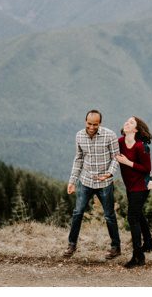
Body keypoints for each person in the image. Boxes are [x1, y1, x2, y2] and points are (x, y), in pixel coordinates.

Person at [65, 109, 123, 260]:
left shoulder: (109, 135)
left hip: (105, 183)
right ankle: (72, 245)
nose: (92, 127)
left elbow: (116, 157)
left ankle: (116, 247)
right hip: (85, 181)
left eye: (95, 124)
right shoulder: (79, 136)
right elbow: (78, 159)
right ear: (85, 122)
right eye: (89, 124)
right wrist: (72, 181)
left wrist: (110, 173)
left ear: (100, 123)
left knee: (109, 215)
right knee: (78, 212)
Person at [115, 116, 152, 268]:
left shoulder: (140, 146)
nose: (127, 122)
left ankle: (138, 256)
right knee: (138, 214)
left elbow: (147, 169)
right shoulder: (120, 142)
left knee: (132, 217)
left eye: (131, 122)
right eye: (126, 121)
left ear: (136, 129)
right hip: (130, 186)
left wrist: (127, 163)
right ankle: (149, 243)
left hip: (142, 186)